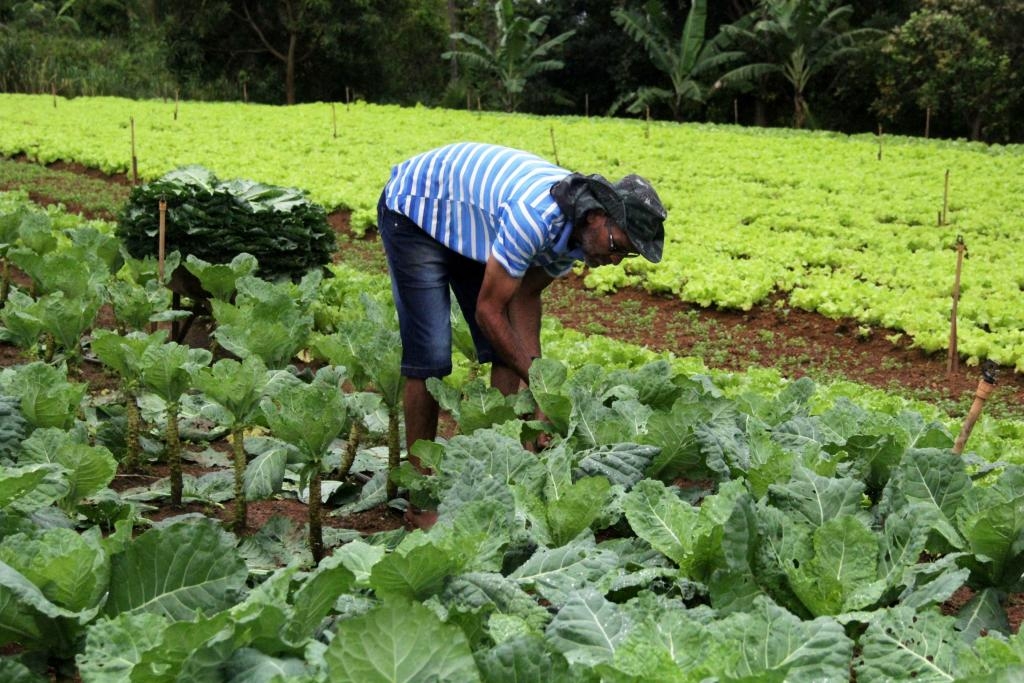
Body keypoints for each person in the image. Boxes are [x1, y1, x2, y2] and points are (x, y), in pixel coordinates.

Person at [377, 142, 667, 524]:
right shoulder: (535, 219)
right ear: (597, 216)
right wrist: (537, 384)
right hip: (416, 211)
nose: (614, 260)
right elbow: (488, 312)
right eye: (617, 246)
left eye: (624, 255)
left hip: (471, 217)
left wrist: (538, 394)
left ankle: (499, 468)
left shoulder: (577, 238)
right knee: (430, 355)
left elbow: (525, 297)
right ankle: (420, 495)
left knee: (504, 351)